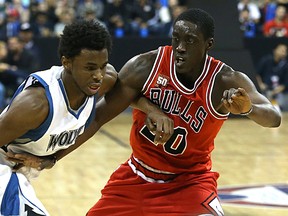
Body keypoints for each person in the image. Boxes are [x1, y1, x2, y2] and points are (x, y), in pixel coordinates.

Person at [8, 8, 282, 216]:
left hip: (190, 182)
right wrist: (55, 157)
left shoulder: (224, 79)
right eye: (176, 39)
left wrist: (247, 109)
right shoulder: (145, 66)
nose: (181, 47)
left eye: (190, 40)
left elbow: (273, 117)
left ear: (208, 44)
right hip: (137, 176)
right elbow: (100, 116)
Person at [0, 19, 171, 216]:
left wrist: (152, 110)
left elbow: (103, 113)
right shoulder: (37, 104)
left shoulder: (104, 80)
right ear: (67, 63)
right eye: (90, 68)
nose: (98, 75)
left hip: (20, 174)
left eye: (102, 65)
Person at [256, 43, 288, 111]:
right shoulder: (266, 60)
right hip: (265, 91)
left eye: (285, 51)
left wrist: (276, 90)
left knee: (283, 103)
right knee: (261, 103)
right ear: (275, 50)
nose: (283, 52)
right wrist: (261, 85)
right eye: (281, 50)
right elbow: (257, 74)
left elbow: (285, 83)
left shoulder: (285, 65)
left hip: (279, 92)